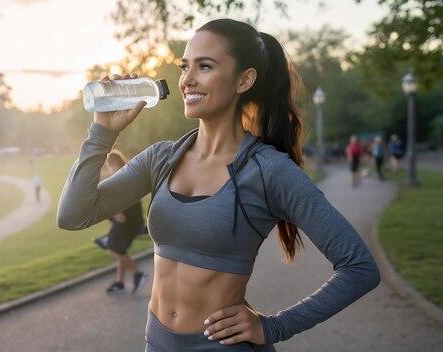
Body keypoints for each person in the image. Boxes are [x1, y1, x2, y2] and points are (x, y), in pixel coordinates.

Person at [58, 18, 380, 351]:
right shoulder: (160, 159)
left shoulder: (269, 170)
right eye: (185, 67)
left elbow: (360, 268)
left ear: (244, 80)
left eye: (205, 66)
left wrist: (275, 327)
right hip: (157, 343)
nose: (187, 80)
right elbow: (73, 216)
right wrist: (102, 133)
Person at [98, 150, 149, 294]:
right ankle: (119, 282)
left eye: (110, 165)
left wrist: (111, 211)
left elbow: (121, 212)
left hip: (126, 223)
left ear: (116, 163)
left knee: (113, 249)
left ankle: (138, 274)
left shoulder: (122, 180)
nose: (109, 168)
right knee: (120, 250)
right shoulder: (126, 176)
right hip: (128, 222)